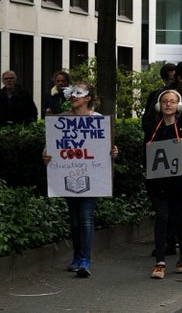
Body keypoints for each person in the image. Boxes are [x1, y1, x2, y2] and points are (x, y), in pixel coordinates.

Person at [41, 83, 118, 278]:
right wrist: (46, 155)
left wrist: (113, 152)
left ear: (88, 98)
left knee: (85, 217)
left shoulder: (98, 120)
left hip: (92, 177)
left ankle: (85, 259)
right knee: (75, 220)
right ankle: (77, 257)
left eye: (79, 93)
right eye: (72, 92)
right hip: (68, 176)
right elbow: (51, 146)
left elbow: (105, 146)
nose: (74, 96)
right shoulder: (61, 120)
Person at [144, 89, 182, 279]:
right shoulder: (152, 129)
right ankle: (160, 262)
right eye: (165, 101)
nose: (168, 104)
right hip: (158, 183)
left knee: (177, 220)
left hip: (179, 184)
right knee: (161, 218)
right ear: (159, 106)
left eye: (172, 101)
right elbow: (146, 155)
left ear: (179, 106)